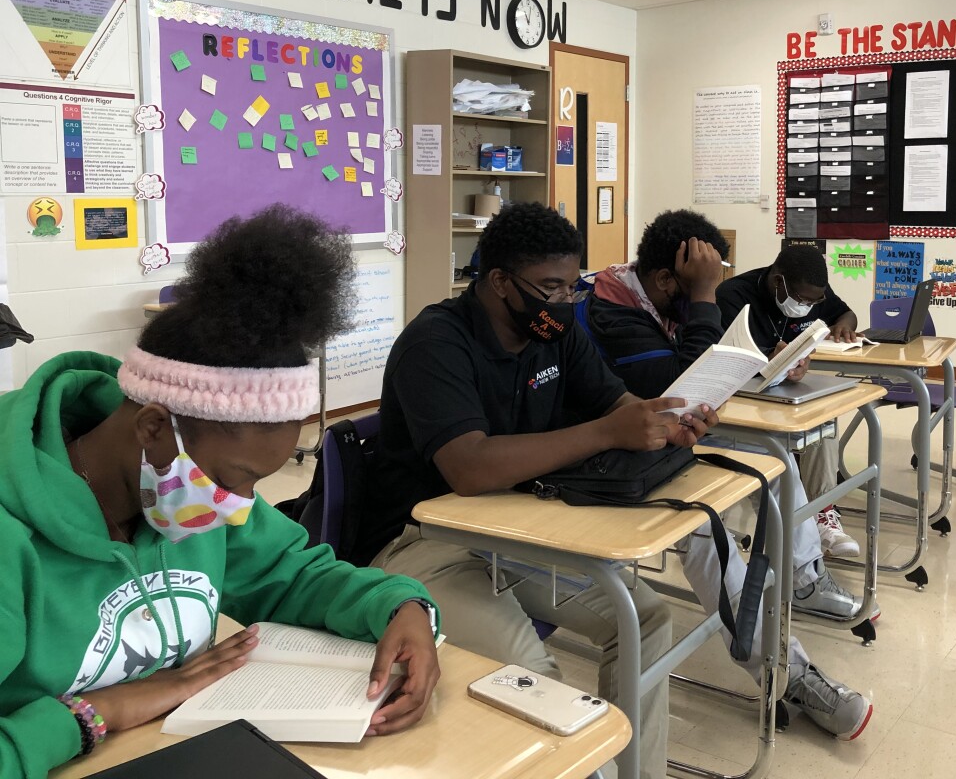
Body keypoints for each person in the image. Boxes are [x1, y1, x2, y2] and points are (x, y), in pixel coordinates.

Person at [0, 206, 441, 778]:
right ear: (154, 427)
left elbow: (295, 575)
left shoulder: (186, 494)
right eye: (233, 480)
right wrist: (94, 713)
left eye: (257, 482)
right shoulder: (13, 538)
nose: (239, 508)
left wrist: (402, 607)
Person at [356, 202, 720, 779]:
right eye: (550, 288)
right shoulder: (436, 342)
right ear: (500, 281)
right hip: (423, 544)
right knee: (537, 678)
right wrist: (608, 431)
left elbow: (619, 405)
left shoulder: (554, 332)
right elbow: (469, 468)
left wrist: (665, 425)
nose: (565, 301)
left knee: (644, 619)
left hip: (514, 529)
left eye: (572, 286)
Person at [581, 209, 873, 740]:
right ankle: (786, 673)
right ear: (668, 280)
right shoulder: (613, 311)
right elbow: (681, 390)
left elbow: (693, 390)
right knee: (706, 531)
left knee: (774, 460)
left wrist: (768, 363)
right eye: (701, 283)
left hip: (665, 438)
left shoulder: (652, 299)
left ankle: (805, 576)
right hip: (614, 462)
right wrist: (704, 297)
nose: (710, 292)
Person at [716, 244, 863, 561]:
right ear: (777, 281)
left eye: (814, 302)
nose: (807, 306)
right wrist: (772, 359)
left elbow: (845, 312)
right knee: (787, 443)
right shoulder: (733, 295)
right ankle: (800, 526)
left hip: (782, 390)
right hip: (739, 396)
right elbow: (730, 357)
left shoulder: (812, 290)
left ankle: (822, 512)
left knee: (823, 414)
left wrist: (843, 326)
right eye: (802, 300)